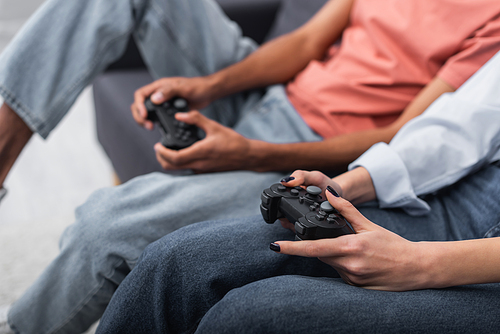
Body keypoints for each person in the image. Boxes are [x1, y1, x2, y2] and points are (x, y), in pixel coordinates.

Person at [1, 0, 500, 333]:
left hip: (318, 147)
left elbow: (407, 135)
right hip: (269, 97)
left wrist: (249, 153)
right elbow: (306, 44)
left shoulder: (492, 22)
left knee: (106, 226)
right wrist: (210, 86)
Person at [94, 49, 500, 334]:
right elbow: (464, 124)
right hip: (457, 200)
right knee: (181, 259)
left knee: (251, 316)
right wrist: (346, 186)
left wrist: (421, 263)